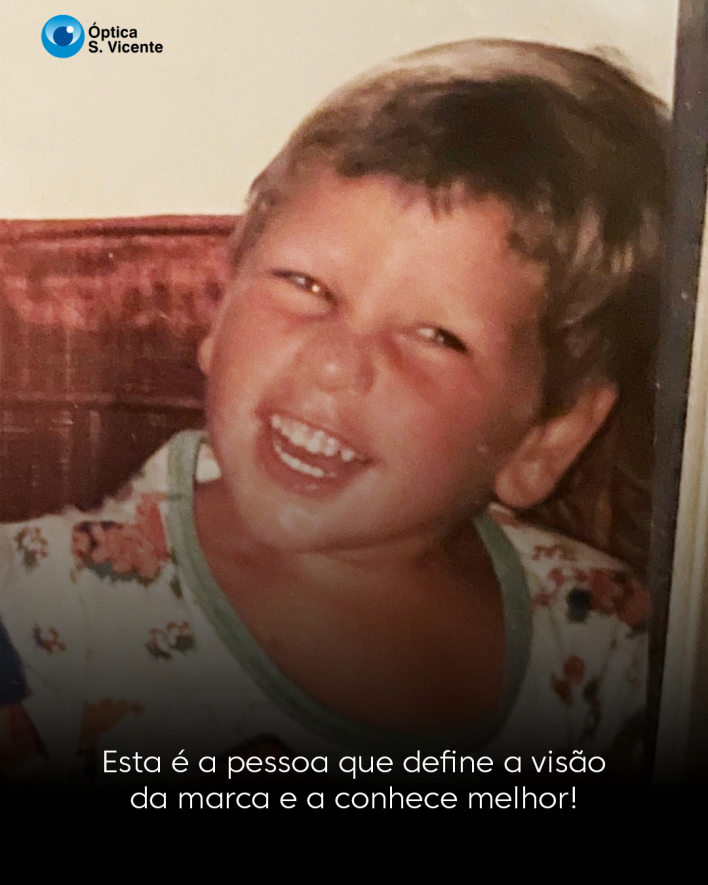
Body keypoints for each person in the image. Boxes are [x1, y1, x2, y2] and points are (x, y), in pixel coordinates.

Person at [0, 38, 665, 783]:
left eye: (436, 336)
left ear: (548, 437)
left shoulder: (622, 646)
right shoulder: (41, 611)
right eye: (306, 285)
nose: (333, 363)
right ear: (221, 311)